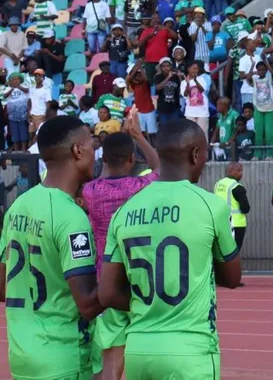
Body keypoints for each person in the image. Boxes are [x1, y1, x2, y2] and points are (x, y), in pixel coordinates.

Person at [98, 119, 242, 378]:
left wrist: (148, 306)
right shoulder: (211, 205)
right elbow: (232, 278)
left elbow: (107, 294)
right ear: (196, 154)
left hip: (139, 349)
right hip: (191, 349)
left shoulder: (124, 211)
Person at [0, 116, 103, 380]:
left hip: (23, 357)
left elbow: (3, 287)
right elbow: (88, 304)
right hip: (64, 359)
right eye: (92, 146)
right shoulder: (71, 216)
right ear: (78, 150)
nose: (95, 154)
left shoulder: (18, 206)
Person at [82, 110, 160, 380]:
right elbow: (160, 167)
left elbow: (104, 174)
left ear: (103, 159)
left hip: (107, 281)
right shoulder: (141, 186)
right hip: (141, 280)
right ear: (132, 158)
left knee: (111, 363)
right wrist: (138, 136)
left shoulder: (90, 191)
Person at [213, 162, 251, 282]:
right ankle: (231, 279)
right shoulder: (237, 187)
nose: (241, 174)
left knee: (219, 251)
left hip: (219, 222)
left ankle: (219, 277)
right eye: (239, 171)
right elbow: (246, 208)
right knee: (233, 252)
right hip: (236, 224)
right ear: (232, 171)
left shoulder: (218, 184)